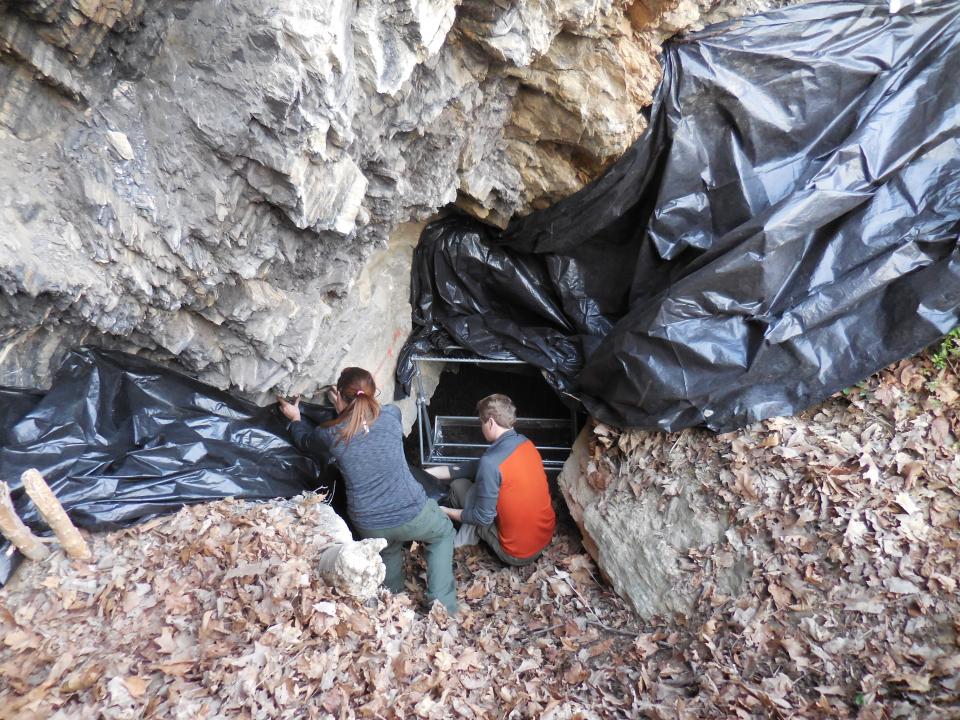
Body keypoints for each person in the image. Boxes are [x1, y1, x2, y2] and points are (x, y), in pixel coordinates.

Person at [278, 367, 458, 614]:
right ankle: (442, 606)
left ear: (339, 396)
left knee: (386, 549)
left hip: (369, 522)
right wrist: (347, 402)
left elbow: (304, 441)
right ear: (372, 394)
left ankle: (393, 605)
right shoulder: (392, 415)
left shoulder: (330, 434)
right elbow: (369, 416)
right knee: (442, 533)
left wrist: (296, 418)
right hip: (413, 512)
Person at [429, 394, 555, 566]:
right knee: (471, 488)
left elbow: (482, 517)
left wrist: (444, 510)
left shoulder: (491, 464)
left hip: (518, 553)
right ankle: (464, 538)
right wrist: (428, 473)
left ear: (490, 422)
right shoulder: (526, 444)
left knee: (467, 494)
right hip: (544, 537)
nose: (481, 426)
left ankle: (457, 545)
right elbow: (473, 467)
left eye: (481, 422)